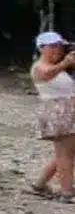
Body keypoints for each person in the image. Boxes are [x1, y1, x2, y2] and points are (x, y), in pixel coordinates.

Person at [29, 31, 75, 201]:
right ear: (42, 48)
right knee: (66, 154)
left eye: (59, 46)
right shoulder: (39, 66)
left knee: (65, 153)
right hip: (58, 113)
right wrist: (65, 63)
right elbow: (47, 74)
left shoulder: (63, 68)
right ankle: (67, 191)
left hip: (68, 112)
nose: (57, 49)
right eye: (53, 46)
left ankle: (40, 184)